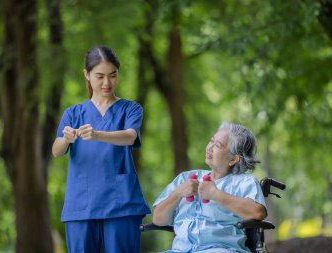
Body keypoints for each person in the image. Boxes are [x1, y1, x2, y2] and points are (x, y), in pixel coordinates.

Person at [52, 46, 151, 253]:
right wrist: (66, 139)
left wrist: (98, 135)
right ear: (86, 75)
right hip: (81, 202)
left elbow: (130, 136)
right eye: (99, 76)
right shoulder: (73, 113)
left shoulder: (130, 109)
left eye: (112, 75)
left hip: (121, 202)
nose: (107, 83)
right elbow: (56, 151)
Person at [153, 122, 267, 253]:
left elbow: (258, 212)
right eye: (211, 141)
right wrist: (177, 194)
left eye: (218, 145)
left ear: (233, 159)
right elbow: (158, 219)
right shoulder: (185, 178)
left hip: (219, 249)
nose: (209, 147)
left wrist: (215, 194)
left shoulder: (243, 182)